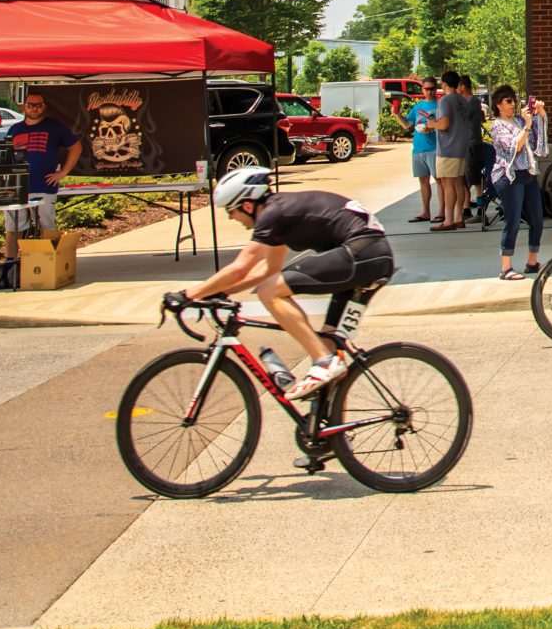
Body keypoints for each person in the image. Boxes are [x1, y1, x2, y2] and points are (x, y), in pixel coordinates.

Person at [174, 166, 392, 401]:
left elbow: (240, 268)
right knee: (330, 345)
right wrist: (221, 292)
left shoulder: (272, 213)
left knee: (270, 292)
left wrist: (187, 295)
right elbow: (267, 269)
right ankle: (334, 432)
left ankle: (323, 361)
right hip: (373, 258)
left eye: (231, 210)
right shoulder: (281, 214)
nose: (230, 217)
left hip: (362, 254)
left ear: (247, 205)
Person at [488, 86, 548, 279]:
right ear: (498, 105)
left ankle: (532, 262)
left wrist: (540, 115)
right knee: (512, 221)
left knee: (537, 219)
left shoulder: (520, 120)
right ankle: (505, 267)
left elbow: (538, 143)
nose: (512, 104)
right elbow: (516, 147)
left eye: (513, 100)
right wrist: (528, 125)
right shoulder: (497, 126)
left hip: (528, 173)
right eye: (508, 101)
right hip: (509, 176)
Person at [6, 90, 80, 236]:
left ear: (44, 106)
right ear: (23, 107)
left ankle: (50, 258)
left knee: (46, 226)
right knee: (13, 228)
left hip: (44, 186)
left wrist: (63, 172)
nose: (34, 108)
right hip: (17, 187)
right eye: (30, 105)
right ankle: (11, 258)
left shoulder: (54, 127)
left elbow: (76, 146)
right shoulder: (14, 129)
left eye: (38, 105)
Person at [430, 73, 482, 231]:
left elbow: (444, 124)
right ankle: (459, 217)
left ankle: (449, 220)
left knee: (447, 184)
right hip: (463, 147)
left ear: (444, 83)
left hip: (448, 148)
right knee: (459, 182)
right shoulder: (462, 100)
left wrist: (432, 123)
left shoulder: (446, 100)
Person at [408, 82, 441, 222]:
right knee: (423, 180)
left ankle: (442, 212)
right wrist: (396, 113)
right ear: (423, 90)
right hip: (418, 148)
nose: (429, 91)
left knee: (439, 180)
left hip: (434, 147)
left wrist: (433, 127)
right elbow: (407, 124)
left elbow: (446, 125)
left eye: (432, 89)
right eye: (426, 89)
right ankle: (425, 211)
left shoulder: (440, 106)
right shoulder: (418, 107)